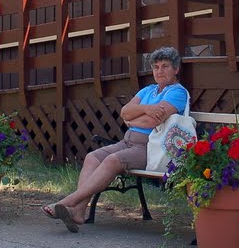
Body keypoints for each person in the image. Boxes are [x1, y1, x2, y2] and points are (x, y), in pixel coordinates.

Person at [43, 46, 189, 233]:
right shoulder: (148, 90)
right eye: (156, 67)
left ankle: (67, 201)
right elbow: (125, 112)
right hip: (128, 142)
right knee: (92, 157)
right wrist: (145, 110)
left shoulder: (177, 92)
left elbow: (153, 121)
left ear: (176, 69)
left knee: (113, 160)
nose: (159, 71)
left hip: (149, 147)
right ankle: (78, 212)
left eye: (165, 66)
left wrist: (136, 117)